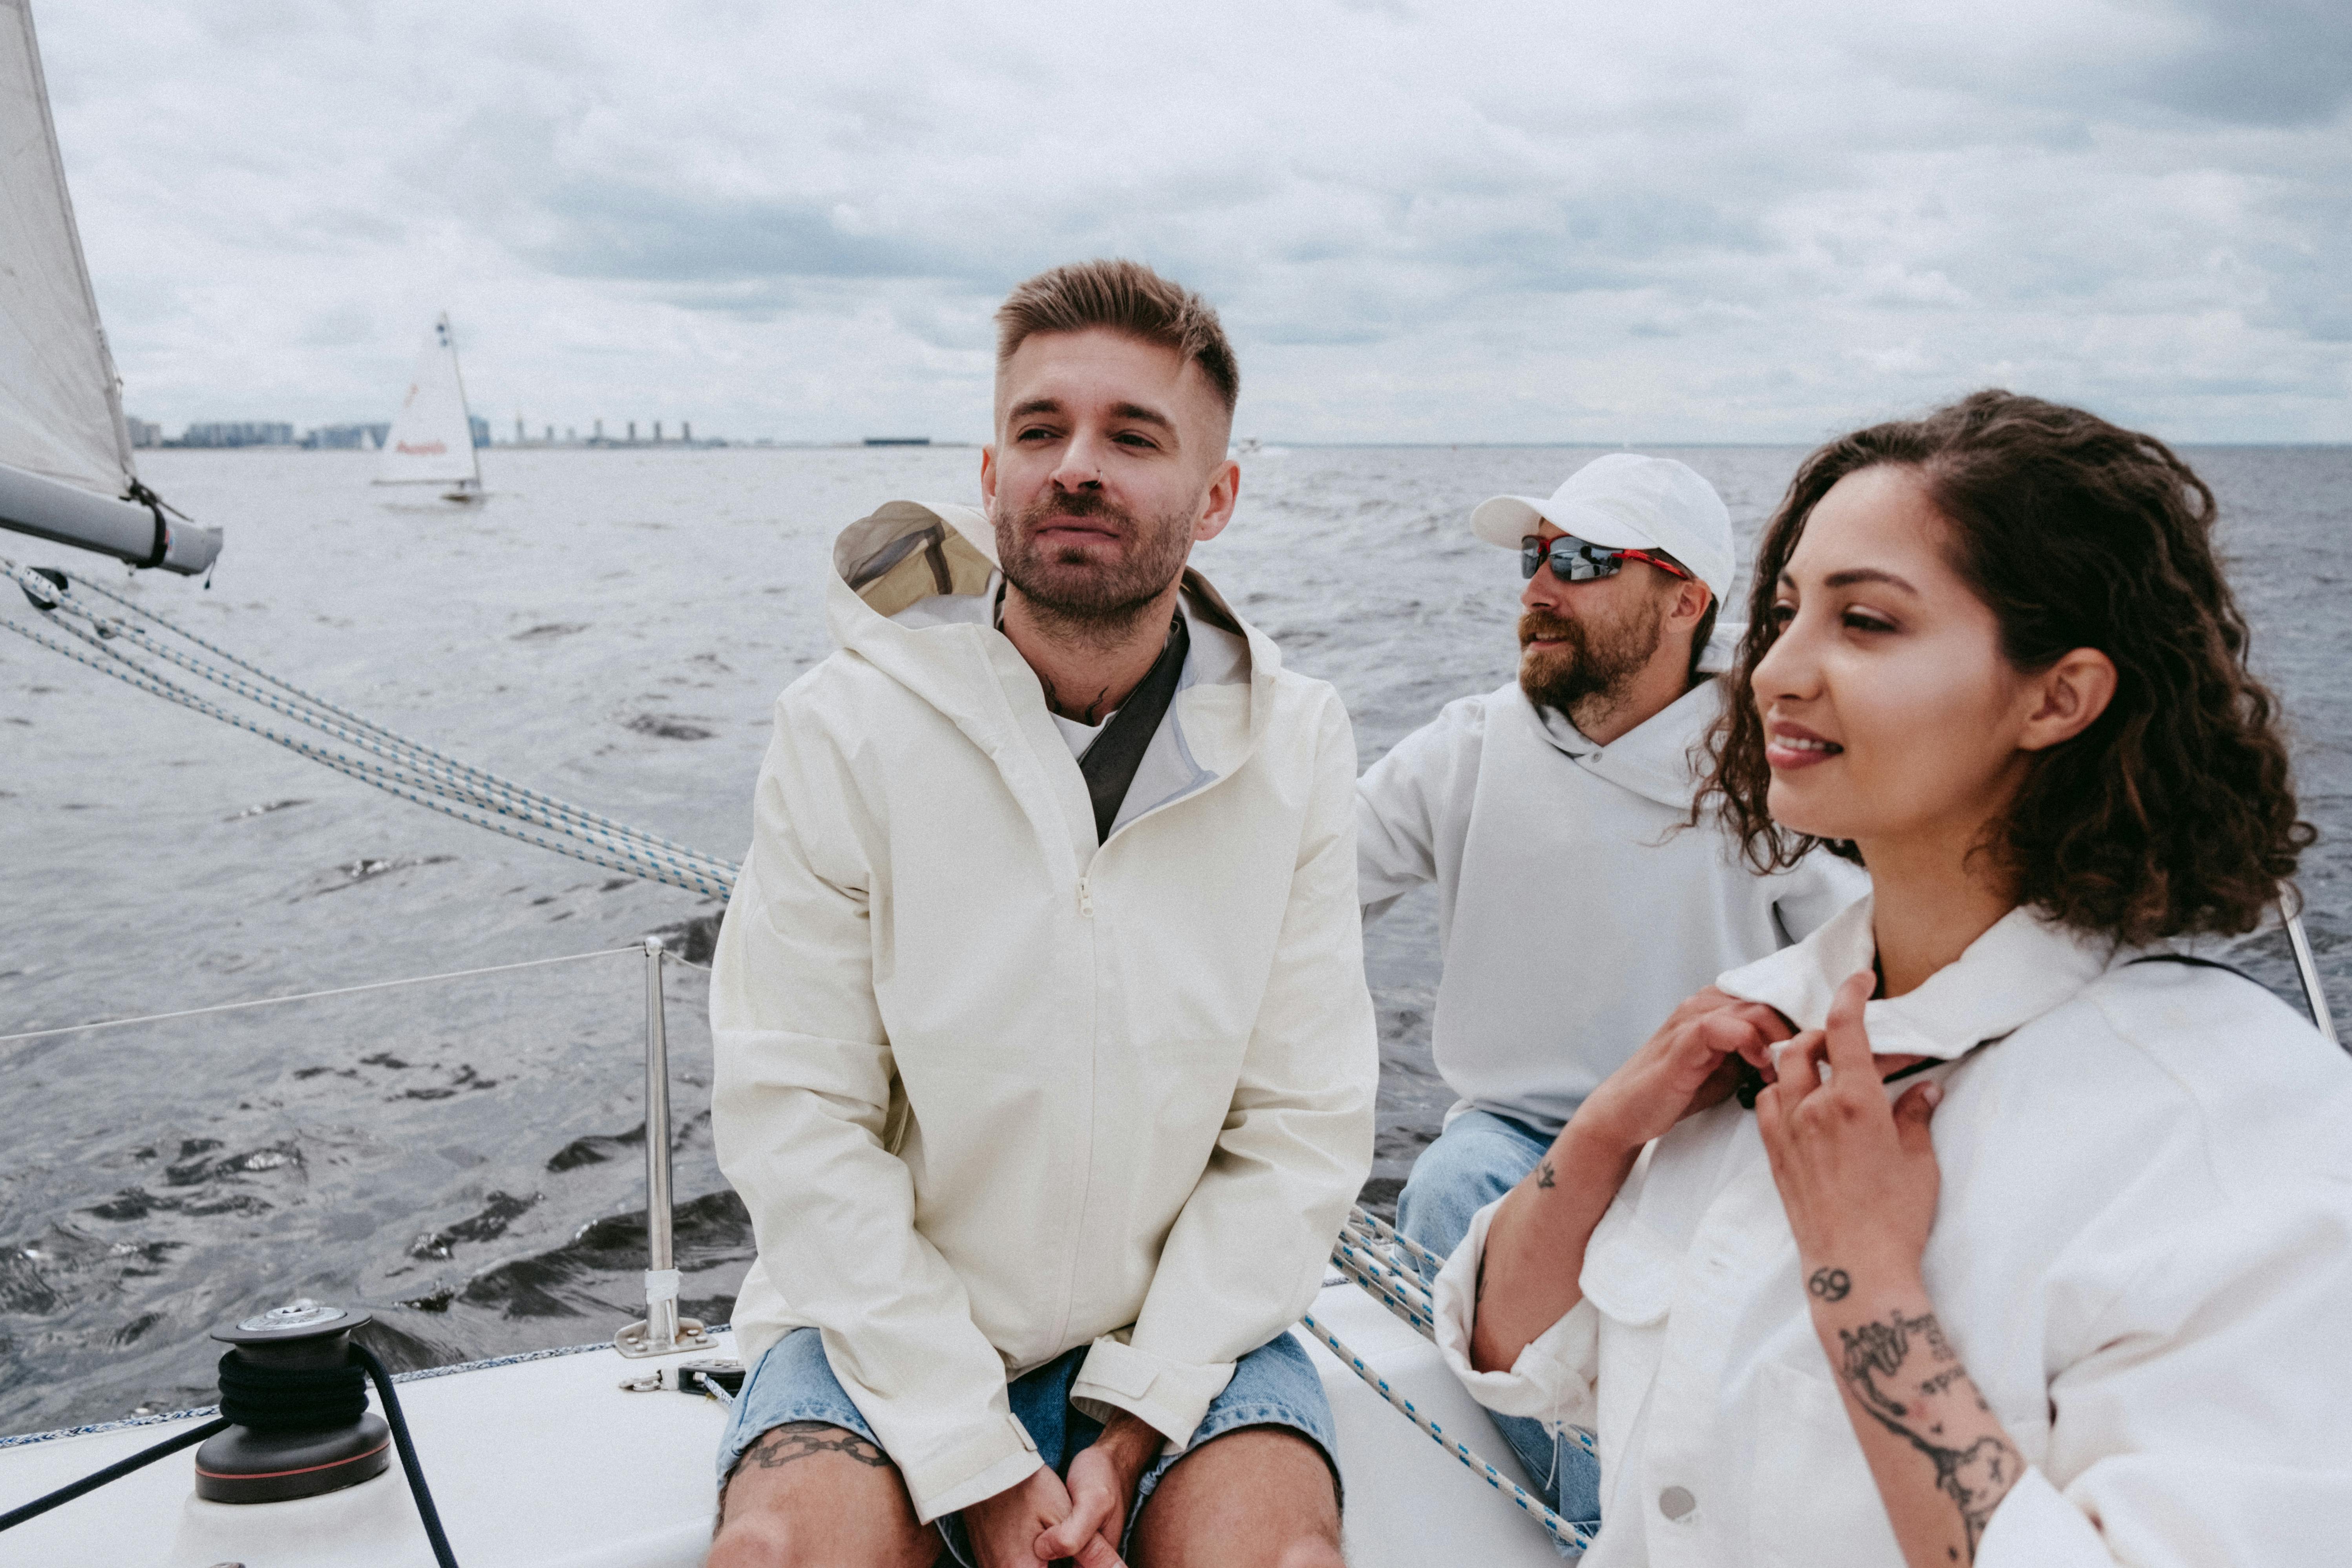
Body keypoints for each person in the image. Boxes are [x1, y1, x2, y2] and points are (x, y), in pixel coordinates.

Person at [1442, 390, 2352, 1565]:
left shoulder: (2242, 1137)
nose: (1775, 670)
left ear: (2058, 694)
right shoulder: (1754, 1037)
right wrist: (1614, 1125)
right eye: (1781, 614)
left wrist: (1865, 1280)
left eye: (1864, 621)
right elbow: (1521, 1358)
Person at [705, 260, 1376, 1568]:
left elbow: (1299, 1130)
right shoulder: (845, 727)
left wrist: (1134, 1415)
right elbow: (798, 1118)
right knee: (782, 1553)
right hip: (879, 1328)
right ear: (990, 472)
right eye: (1040, 429)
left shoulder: (1298, 745)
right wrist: (969, 1451)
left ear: (1219, 495)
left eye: (1134, 436)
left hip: (1182, 1334)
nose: (1078, 465)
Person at [1354, 454, 1866, 1520]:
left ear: (1687, 601)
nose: (1540, 585)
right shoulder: (1468, 747)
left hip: (1697, 1149)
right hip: (1513, 1136)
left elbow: (1868, 968)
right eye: (1536, 557)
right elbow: (1296, 885)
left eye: (1583, 559)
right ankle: (1613, 1532)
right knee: (1452, 1184)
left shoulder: (1772, 768)